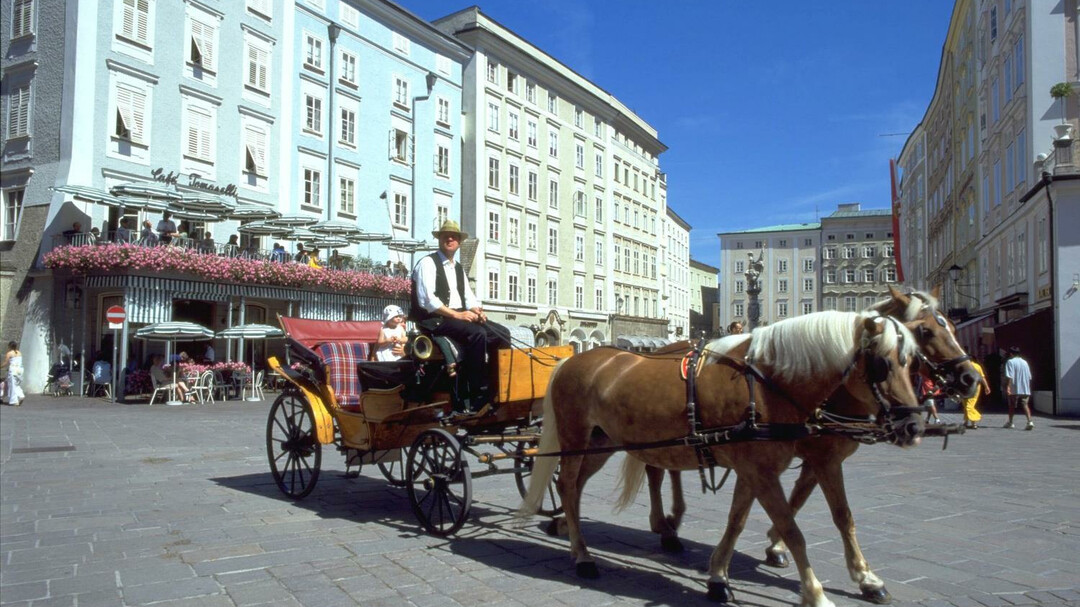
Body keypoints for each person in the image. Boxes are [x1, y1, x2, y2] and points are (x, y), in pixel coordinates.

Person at [411, 220, 510, 413]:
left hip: (456, 316)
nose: (450, 239)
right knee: (477, 334)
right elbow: (427, 300)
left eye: (454, 236)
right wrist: (458, 314)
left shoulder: (457, 267)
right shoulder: (427, 263)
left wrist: (477, 311)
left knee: (502, 333)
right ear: (439, 240)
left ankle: (497, 387)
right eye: (446, 236)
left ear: (459, 242)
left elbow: (468, 297)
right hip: (435, 320)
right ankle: (475, 394)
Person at [1003, 346, 1034, 430]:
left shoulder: (1010, 362)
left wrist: (1008, 387)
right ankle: (1030, 421)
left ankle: (1010, 422)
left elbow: (1009, 375)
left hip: (1014, 386)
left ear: (1011, 353)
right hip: (1024, 387)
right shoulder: (1025, 362)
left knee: (1012, 405)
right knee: (1025, 404)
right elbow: (1029, 376)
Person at [962, 360, 991, 429]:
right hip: (971, 387)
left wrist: (986, 387)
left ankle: (976, 418)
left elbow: (981, 377)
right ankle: (967, 422)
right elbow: (982, 377)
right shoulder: (976, 366)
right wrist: (986, 387)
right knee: (966, 405)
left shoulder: (965, 365)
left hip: (969, 387)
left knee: (968, 406)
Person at [2, 341, 25, 406]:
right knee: (17, 385)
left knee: (12, 385)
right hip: (20, 370)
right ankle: (21, 395)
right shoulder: (19, 353)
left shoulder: (9, 353)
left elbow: (5, 363)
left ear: (10, 346)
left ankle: (14, 401)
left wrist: (0, 366)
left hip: (13, 370)